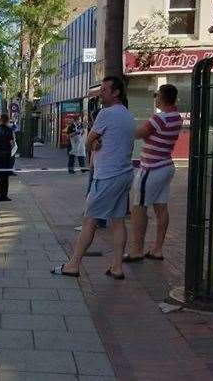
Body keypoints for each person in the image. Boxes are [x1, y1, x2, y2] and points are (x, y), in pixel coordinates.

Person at [53, 76, 135, 279]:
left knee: (90, 219)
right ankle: (117, 266)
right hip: (124, 173)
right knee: (117, 221)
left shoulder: (106, 114)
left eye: (105, 89)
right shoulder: (127, 115)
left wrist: (95, 144)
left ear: (116, 92)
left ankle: (73, 264)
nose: (101, 93)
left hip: (107, 175)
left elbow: (89, 141)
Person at [124, 84, 183, 262]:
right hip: (166, 165)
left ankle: (136, 250)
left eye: (157, 95)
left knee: (138, 208)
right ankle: (157, 249)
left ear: (162, 97)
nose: (155, 98)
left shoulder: (160, 118)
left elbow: (139, 133)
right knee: (161, 208)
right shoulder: (176, 117)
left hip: (151, 168)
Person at [0, 113, 15, 201]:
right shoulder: (8, 130)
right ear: (7, 120)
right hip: (5, 155)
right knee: (4, 176)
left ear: (0, 120)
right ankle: (3, 196)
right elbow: (12, 143)